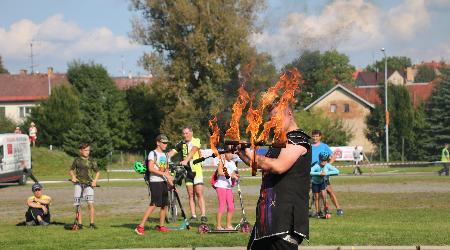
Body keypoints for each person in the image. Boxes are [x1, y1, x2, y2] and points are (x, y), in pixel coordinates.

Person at [238, 105, 311, 250]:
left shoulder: (298, 139)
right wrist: (242, 154)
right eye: (271, 120)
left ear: (289, 114)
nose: (273, 123)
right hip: (267, 220)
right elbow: (262, 164)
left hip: (283, 220)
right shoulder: (280, 142)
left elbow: (278, 166)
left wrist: (251, 154)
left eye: (276, 118)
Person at [135, 134, 174, 235]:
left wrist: (171, 183)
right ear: (158, 143)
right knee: (154, 204)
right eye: (163, 143)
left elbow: (167, 170)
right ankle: (140, 226)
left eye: (166, 143)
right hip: (155, 181)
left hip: (164, 182)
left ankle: (161, 226)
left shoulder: (165, 155)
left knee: (164, 204)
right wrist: (163, 173)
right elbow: (151, 168)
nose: (165, 145)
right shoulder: (153, 153)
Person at [167, 127, 207, 223]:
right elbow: (172, 152)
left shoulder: (196, 141)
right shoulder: (181, 143)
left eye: (187, 133)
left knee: (199, 193)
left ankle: (203, 215)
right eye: (184, 133)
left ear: (191, 133)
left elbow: (193, 151)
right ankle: (193, 215)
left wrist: (186, 160)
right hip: (187, 172)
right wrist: (167, 157)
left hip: (196, 171)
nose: (185, 135)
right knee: (190, 194)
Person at [311, 129, 343, 216]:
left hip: (323, 173)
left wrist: (327, 166)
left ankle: (339, 208)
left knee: (329, 191)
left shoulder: (324, 146)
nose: (315, 138)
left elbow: (333, 156)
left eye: (317, 136)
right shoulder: (309, 146)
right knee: (314, 193)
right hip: (312, 172)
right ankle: (316, 211)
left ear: (320, 137)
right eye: (313, 136)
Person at [69, 143, 100, 229]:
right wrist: (73, 176)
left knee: (90, 204)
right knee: (78, 204)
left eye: (88, 150)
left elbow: (97, 172)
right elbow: (71, 170)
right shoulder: (76, 160)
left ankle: (92, 224)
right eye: (86, 150)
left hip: (89, 185)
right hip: (78, 185)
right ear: (81, 151)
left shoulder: (92, 160)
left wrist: (95, 181)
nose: (87, 152)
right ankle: (80, 224)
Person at [214, 151, 239, 230]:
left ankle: (228, 225)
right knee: (222, 205)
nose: (231, 155)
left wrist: (236, 175)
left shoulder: (233, 163)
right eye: (229, 153)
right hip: (221, 186)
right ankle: (218, 226)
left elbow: (234, 173)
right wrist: (230, 175)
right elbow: (220, 171)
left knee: (231, 206)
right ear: (225, 153)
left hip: (228, 187)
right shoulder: (222, 161)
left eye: (232, 153)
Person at [310, 152, 339, 218]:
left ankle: (326, 210)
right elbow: (310, 172)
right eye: (322, 160)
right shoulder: (316, 166)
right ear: (319, 159)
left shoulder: (328, 165)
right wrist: (319, 173)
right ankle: (318, 213)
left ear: (327, 160)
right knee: (316, 197)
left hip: (322, 183)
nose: (323, 162)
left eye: (325, 161)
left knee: (324, 196)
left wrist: (326, 173)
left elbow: (337, 171)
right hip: (315, 183)